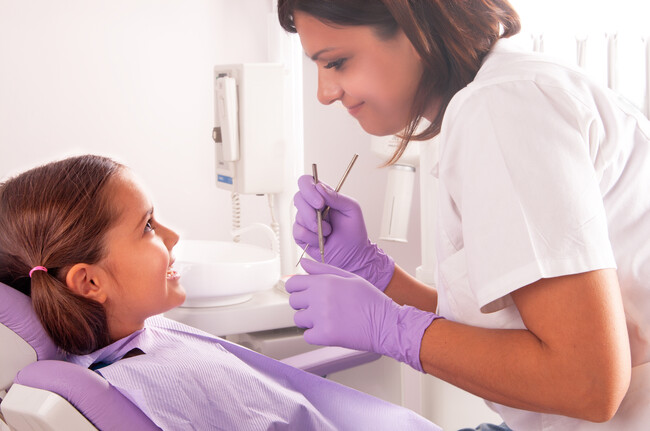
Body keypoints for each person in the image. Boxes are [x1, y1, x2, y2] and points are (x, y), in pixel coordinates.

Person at [279, 1, 650, 430]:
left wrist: (391, 329)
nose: (325, 93)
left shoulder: (501, 108)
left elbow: (587, 382)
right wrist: (373, 272)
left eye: (337, 62)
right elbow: (505, 334)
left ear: (414, 28)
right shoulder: (496, 100)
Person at [0, 155, 441, 431]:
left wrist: (373, 271)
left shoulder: (146, 339)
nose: (172, 236)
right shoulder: (152, 384)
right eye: (148, 226)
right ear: (89, 282)